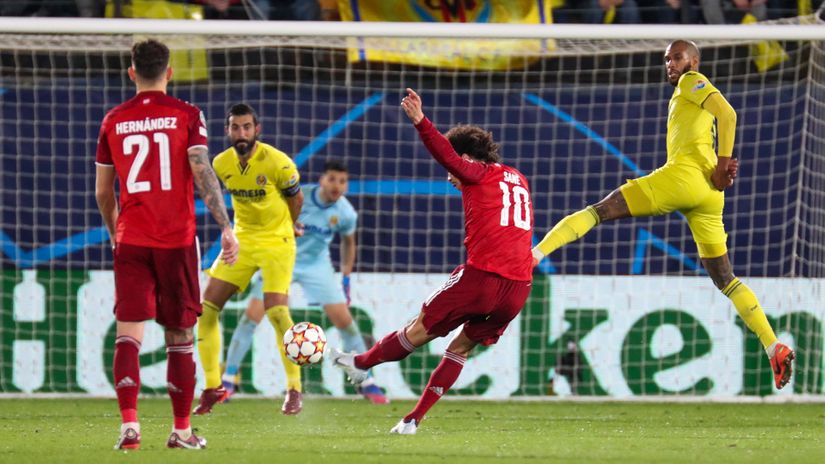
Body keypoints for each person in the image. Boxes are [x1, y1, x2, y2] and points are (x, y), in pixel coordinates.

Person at [532, 40, 795, 390]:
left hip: (684, 177)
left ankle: (532, 256)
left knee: (599, 212)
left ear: (694, 61)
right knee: (725, 278)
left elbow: (728, 114)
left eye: (677, 57)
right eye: (667, 59)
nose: (670, 64)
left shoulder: (692, 81)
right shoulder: (687, 93)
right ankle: (772, 345)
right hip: (709, 197)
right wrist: (717, 171)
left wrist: (722, 161)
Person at [330, 88, 534, 435]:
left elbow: (449, 157)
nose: (449, 176)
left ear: (467, 158)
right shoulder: (518, 178)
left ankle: (362, 364)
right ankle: (412, 420)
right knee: (460, 347)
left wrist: (421, 123)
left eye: (453, 166)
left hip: (483, 277)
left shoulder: (477, 172)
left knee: (420, 327)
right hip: (519, 288)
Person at [95, 39, 238, 450]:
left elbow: (105, 193)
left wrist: (114, 234)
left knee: (129, 334)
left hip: (132, 239)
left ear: (131, 72)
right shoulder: (187, 115)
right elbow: (201, 170)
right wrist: (225, 226)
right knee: (180, 335)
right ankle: (180, 430)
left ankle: (129, 426)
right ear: (170, 72)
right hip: (176, 240)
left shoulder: (113, 120)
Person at [221, 160, 389, 405]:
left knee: (346, 323)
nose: (336, 186)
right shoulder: (299, 198)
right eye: (332, 179)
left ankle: (366, 381)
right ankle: (227, 379)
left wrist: (345, 277)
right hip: (283, 258)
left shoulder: (345, 213)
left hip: (317, 267)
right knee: (251, 317)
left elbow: (348, 242)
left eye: (342, 181)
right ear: (322, 180)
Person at [194, 103, 305, 416]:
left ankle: (294, 389)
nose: (240, 133)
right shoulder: (221, 163)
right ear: (227, 130)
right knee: (206, 309)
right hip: (243, 241)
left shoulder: (278, 163)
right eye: (234, 127)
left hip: (277, 242)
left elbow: (296, 197)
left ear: (257, 129)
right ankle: (212, 387)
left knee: (277, 312)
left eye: (246, 127)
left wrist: (291, 225)